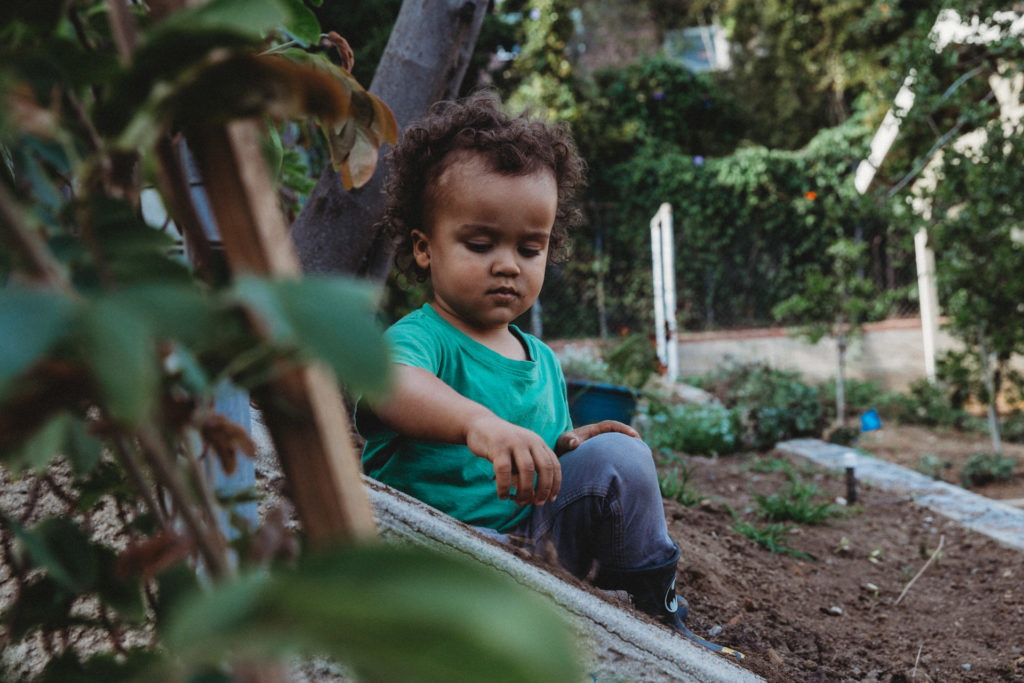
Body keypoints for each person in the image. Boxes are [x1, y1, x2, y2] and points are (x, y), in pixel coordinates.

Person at [357, 91, 688, 632]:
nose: (507, 266)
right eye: (481, 244)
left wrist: (570, 445)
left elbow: (538, 461)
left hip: (537, 548)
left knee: (621, 457)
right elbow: (390, 387)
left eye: (529, 249)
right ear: (424, 248)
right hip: (436, 549)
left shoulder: (539, 359)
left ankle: (656, 611)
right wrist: (479, 425)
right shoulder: (423, 338)